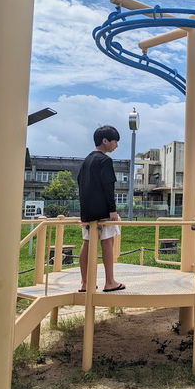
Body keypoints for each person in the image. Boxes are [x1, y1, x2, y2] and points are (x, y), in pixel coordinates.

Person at [77, 125, 126, 292]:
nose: (116, 145)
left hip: (87, 211)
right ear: (105, 141)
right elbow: (108, 186)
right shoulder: (105, 160)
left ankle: (85, 283)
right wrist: (112, 210)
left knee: (87, 243)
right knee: (108, 242)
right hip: (103, 211)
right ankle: (110, 281)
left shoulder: (86, 161)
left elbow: (80, 184)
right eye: (114, 142)